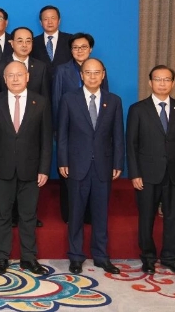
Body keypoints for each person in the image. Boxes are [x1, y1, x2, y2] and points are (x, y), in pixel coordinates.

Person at [0, 61, 52, 276]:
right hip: (1, 168)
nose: (15, 79)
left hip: (31, 169)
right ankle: (2, 257)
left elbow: (46, 139)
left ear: (27, 77)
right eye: (10, 75)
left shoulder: (40, 102)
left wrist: (44, 169)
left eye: (19, 75)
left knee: (28, 215)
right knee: (2, 214)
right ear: (4, 79)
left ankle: (29, 257)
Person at [57, 58, 124, 274]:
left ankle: (101, 256)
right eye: (88, 72)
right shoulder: (69, 99)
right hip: (77, 165)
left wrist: (118, 162)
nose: (92, 76)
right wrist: (63, 161)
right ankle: (76, 256)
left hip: (103, 166)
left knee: (101, 214)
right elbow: (63, 134)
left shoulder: (114, 101)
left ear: (103, 75)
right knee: (76, 214)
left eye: (97, 72)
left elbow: (118, 135)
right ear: (81, 75)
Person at [127, 65, 175, 275]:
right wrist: (135, 173)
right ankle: (148, 258)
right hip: (147, 174)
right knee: (147, 217)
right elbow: (131, 145)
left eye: (167, 79)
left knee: (173, 217)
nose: (162, 83)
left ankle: (170, 258)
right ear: (150, 82)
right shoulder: (138, 109)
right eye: (158, 79)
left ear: (173, 83)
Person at [52, 33, 109, 223]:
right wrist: (58, 129)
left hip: (94, 131)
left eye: (83, 47)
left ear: (90, 49)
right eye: (75, 47)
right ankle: (70, 215)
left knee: (94, 175)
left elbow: (105, 99)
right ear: (71, 50)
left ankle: (90, 215)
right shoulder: (62, 70)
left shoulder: (99, 69)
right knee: (69, 176)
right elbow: (56, 101)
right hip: (70, 130)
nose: (79, 51)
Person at [0, 27, 51, 99]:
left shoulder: (40, 67)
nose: (24, 45)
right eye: (20, 41)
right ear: (12, 43)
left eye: (28, 41)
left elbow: (45, 98)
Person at [31, 5, 73, 75]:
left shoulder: (71, 39)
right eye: (46, 19)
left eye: (53, 18)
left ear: (59, 21)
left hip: (66, 80)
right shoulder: (34, 42)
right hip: (42, 81)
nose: (50, 22)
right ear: (41, 22)